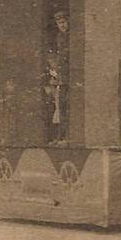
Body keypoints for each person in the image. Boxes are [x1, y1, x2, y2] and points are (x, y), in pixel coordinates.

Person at [43, 9, 71, 143]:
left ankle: (66, 136)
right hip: (62, 78)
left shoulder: (72, 36)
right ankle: (61, 136)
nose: (62, 25)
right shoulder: (60, 36)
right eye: (60, 23)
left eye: (64, 22)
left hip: (70, 77)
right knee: (61, 107)